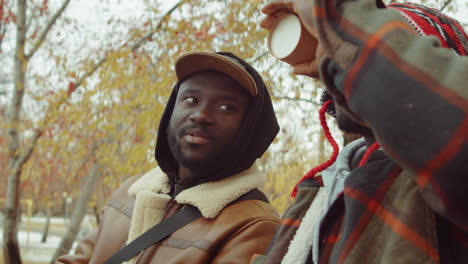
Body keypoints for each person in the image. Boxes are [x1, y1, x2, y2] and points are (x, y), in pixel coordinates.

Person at [252, 0, 468, 263]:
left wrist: (337, 17)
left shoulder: (437, 189)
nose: (347, 69)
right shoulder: (323, 185)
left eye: (387, 46)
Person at [56, 51, 281, 264]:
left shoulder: (255, 225)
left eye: (225, 107)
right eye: (191, 99)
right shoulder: (132, 191)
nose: (201, 115)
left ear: (250, 129)